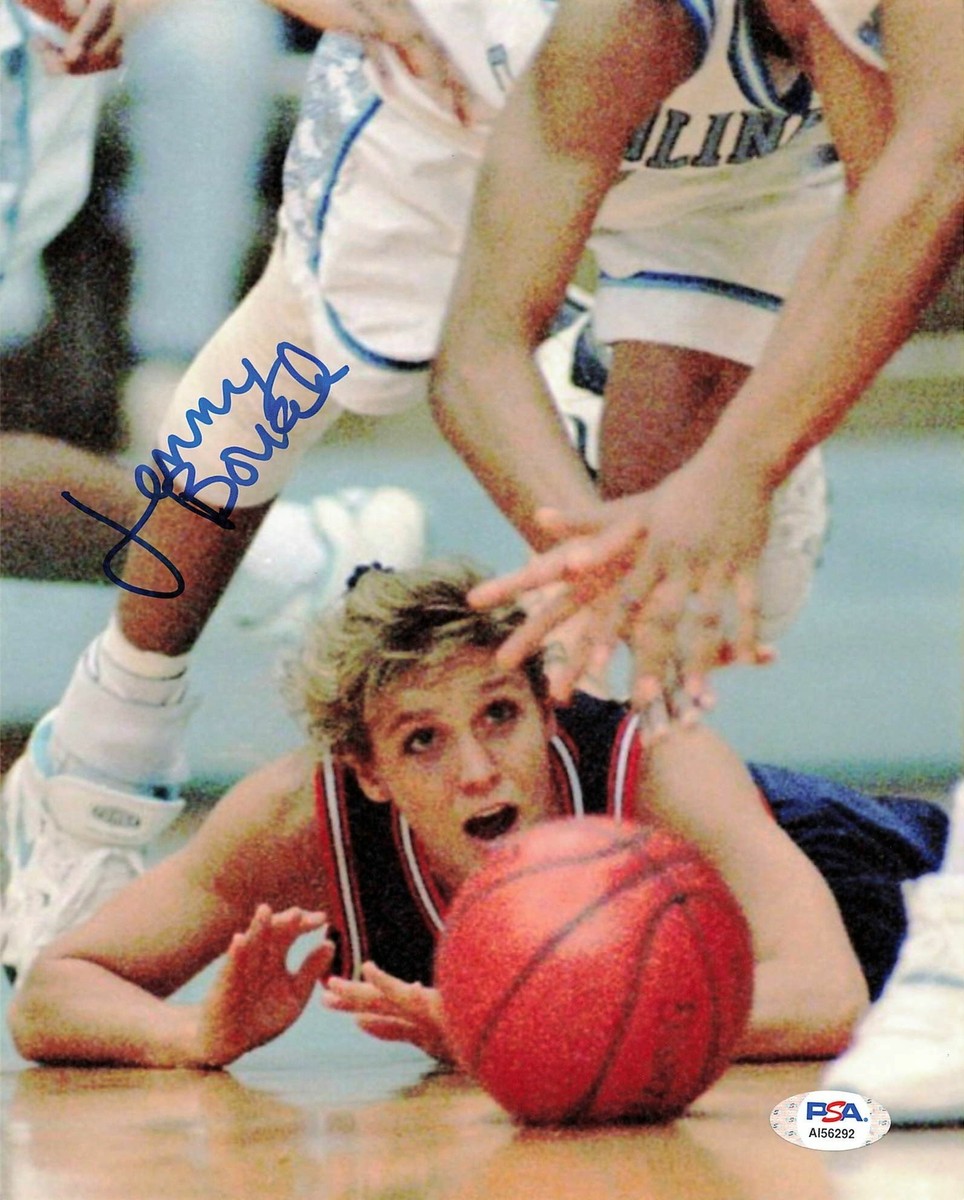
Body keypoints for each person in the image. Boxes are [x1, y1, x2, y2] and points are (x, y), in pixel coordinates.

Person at [0, 0, 835, 978]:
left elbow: (919, 196)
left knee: (702, 598)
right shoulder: (604, 27)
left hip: (736, 154)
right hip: (450, 88)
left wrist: (740, 466)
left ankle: (582, 864)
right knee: (278, 381)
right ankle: (104, 762)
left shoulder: (886, 38)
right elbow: (472, 367)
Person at [6, 561, 948, 1072]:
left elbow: (825, 997)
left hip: (919, 909)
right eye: (421, 741)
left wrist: (527, 1025)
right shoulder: (301, 820)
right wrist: (195, 1036)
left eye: (499, 716)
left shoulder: (660, 765)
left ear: (547, 707)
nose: (475, 771)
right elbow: (56, 987)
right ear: (366, 771)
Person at [430, 0, 963, 713]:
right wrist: (598, 557)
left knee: (737, 580)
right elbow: (474, 352)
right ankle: (583, 390)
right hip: (455, 102)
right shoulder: (612, 32)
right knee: (672, 583)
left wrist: (741, 465)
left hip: (758, 149)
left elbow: (926, 181)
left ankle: (617, 396)